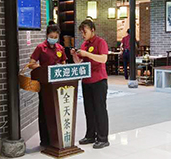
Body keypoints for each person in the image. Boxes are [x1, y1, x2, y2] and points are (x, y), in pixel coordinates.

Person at [72, 20, 109, 149]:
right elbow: (79, 63)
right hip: (86, 81)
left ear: (92, 30)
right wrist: (75, 55)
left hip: (99, 80)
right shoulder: (84, 44)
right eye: (81, 32)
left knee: (100, 109)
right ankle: (90, 135)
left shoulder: (100, 42)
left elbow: (103, 59)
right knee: (89, 110)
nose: (83, 35)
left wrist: (87, 54)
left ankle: (103, 138)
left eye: (85, 32)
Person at [27, 24, 65, 148]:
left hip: (57, 85)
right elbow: (31, 64)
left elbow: (63, 62)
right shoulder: (40, 48)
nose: (53, 39)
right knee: (44, 111)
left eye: (55, 37)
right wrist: (41, 68)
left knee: (56, 111)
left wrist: (61, 66)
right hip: (45, 85)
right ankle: (45, 140)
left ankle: (56, 138)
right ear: (47, 35)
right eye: (51, 36)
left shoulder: (60, 48)